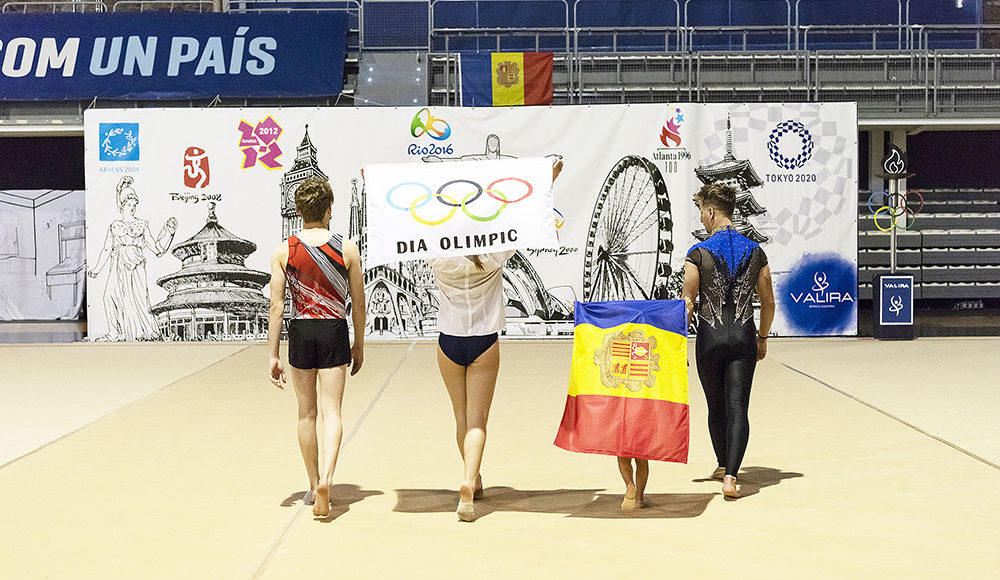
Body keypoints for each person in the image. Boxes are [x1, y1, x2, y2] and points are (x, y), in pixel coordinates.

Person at [429, 159, 563, 522]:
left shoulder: (437, 255)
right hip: (484, 339)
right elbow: (524, 222)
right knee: (478, 420)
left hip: (448, 339)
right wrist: (547, 183)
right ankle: (468, 482)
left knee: (461, 417)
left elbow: (405, 226)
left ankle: (472, 477)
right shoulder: (493, 252)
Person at [267, 177, 366, 518]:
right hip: (333, 328)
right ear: (329, 210)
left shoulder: (285, 250)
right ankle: (328, 478)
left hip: (301, 331)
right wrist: (359, 344)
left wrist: (273, 354)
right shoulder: (346, 248)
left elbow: (277, 306)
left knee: (306, 413)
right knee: (332, 412)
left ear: (298, 211)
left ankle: (312, 484)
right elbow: (358, 303)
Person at [681, 183, 775, 500]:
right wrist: (762, 338)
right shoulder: (756, 252)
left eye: (701, 212)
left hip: (710, 337)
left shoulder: (698, 254)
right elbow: (768, 302)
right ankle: (731, 477)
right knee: (738, 407)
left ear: (711, 211)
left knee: (716, 406)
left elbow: (688, 303)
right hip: (744, 336)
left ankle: (723, 464)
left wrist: (677, 339)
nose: (701, 219)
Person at [87, 176, 176, 341]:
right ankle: (115, 333)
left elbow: (157, 249)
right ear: (122, 205)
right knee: (109, 297)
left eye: (134, 204)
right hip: (118, 264)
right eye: (129, 204)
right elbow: (106, 248)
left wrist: (168, 233)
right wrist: (97, 269)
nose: (132, 207)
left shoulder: (142, 224)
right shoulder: (115, 225)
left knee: (138, 299)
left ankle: (140, 333)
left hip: (135, 265)